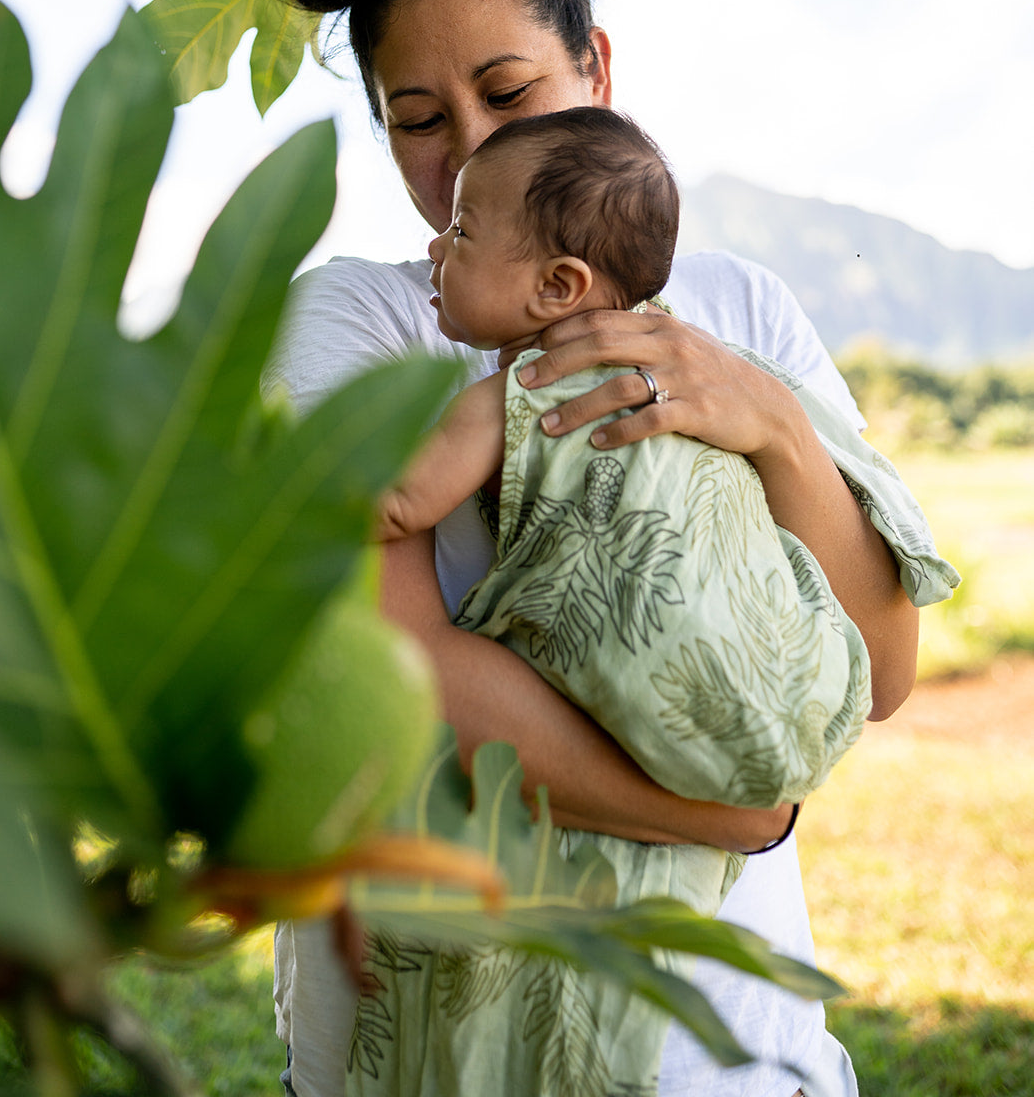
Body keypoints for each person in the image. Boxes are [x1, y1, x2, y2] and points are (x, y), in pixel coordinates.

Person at [263, 0, 958, 1097]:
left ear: (593, 63)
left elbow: (875, 669)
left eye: (508, 91)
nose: (466, 144)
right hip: (430, 1051)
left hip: (722, 1053)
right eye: (415, 117)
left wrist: (767, 420)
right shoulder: (355, 318)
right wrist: (730, 813)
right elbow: (394, 668)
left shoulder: (738, 307)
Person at [360, 104, 945, 1096]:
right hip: (781, 699)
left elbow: (400, 502)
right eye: (415, 115)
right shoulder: (698, 364)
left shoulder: (513, 391)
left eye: (461, 234)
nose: (436, 245)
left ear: (556, 286)